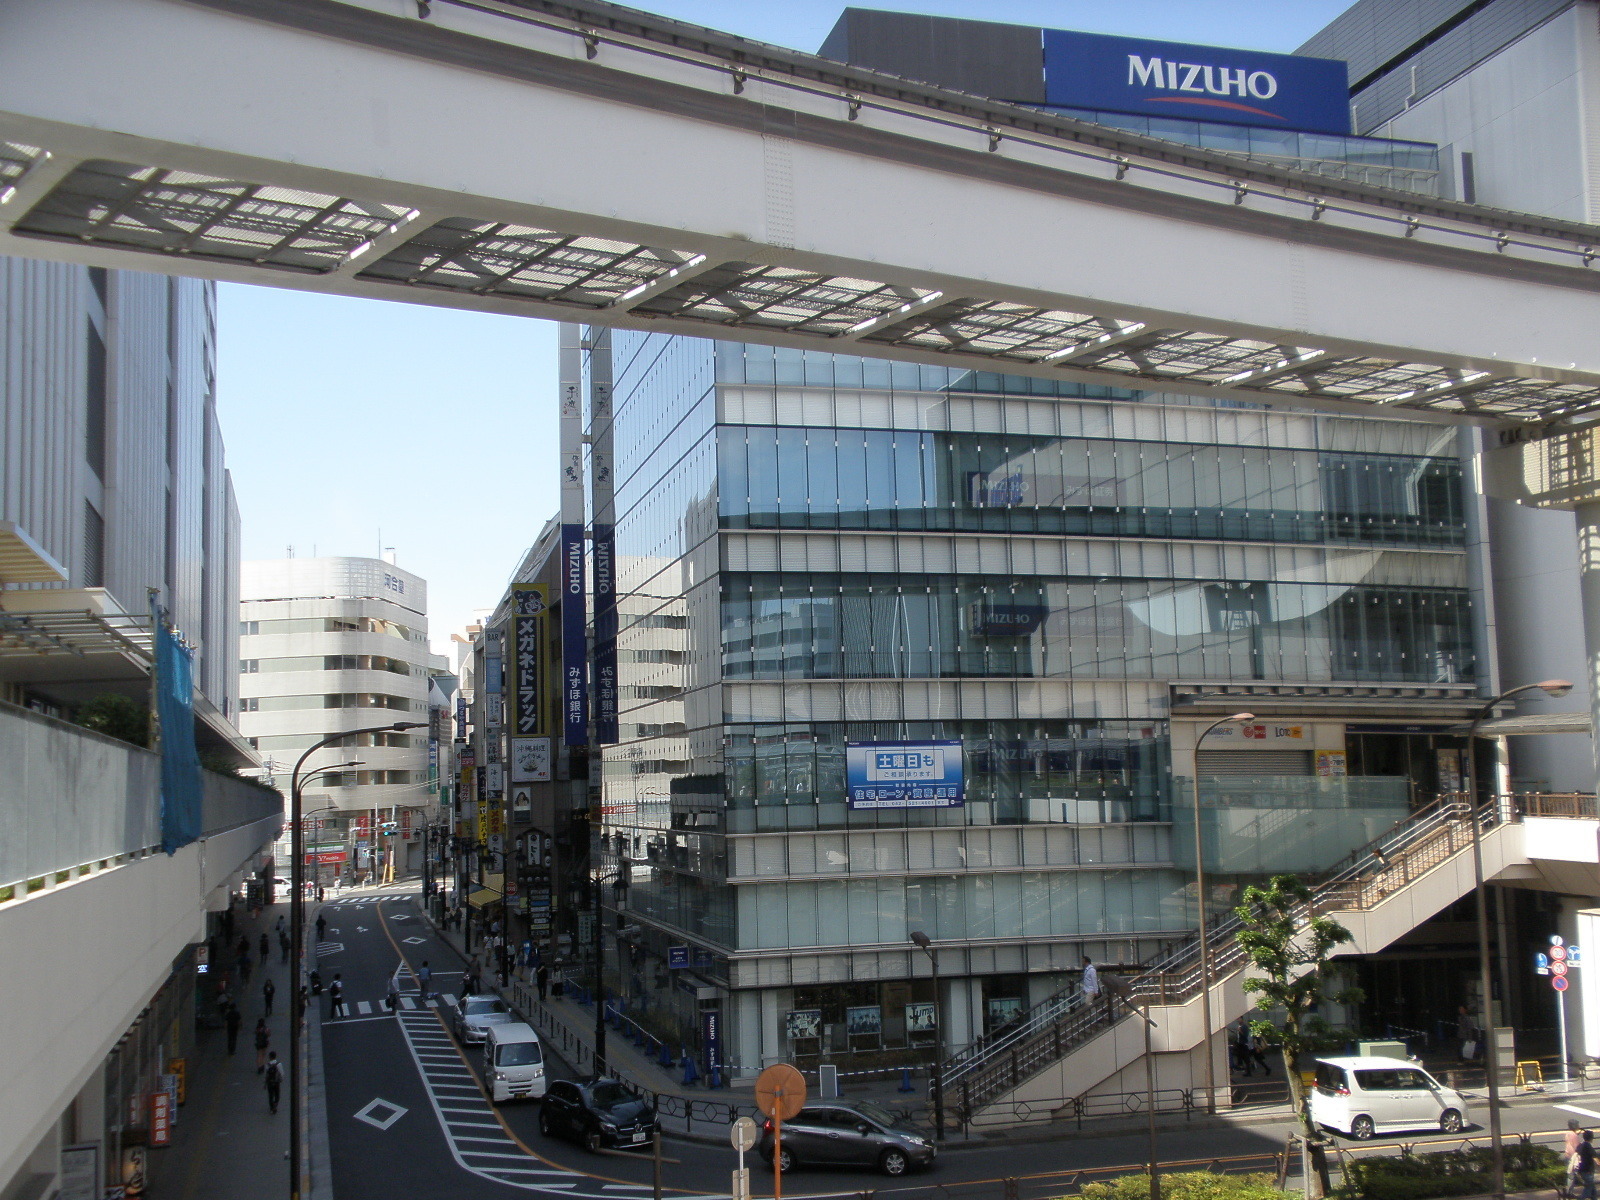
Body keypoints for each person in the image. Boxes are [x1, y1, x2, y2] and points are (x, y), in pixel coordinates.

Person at [1081, 955, 1102, 1020]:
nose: (1082, 962)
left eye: (1083, 961)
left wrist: (1096, 991)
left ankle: (1095, 1015)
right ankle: (1093, 1015)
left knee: (1088, 1002)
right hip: (1087, 989)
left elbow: (1094, 981)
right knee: (1088, 1003)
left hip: (1091, 989)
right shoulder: (1087, 970)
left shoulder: (1092, 970)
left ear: (1086, 962)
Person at [1577, 1129, 1597, 1200]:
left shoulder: (1581, 1145)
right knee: (1588, 1190)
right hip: (1587, 1171)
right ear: (1592, 1137)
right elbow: (1594, 1155)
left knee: (1593, 1192)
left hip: (1582, 1170)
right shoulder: (1588, 1146)